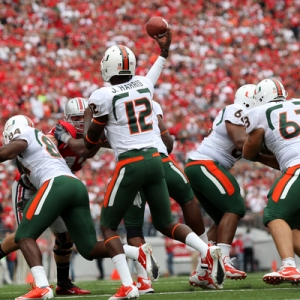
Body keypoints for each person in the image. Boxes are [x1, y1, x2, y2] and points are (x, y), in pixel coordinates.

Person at [83, 28, 225, 299]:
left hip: (131, 163)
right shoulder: (144, 86)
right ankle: (206, 249)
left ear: (108, 67)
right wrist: (164, 51)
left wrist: (92, 122)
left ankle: (129, 285)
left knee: (109, 226)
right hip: (156, 159)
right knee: (165, 221)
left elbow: (90, 141)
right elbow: (154, 73)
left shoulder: (102, 95)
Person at [0, 114, 155, 300]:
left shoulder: (25, 133)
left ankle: (42, 286)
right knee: (89, 248)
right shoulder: (39, 136)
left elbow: (8, 152)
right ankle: (135, 252)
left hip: (56, 184)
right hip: (76, 186)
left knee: (24, 235)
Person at [0, 97, 97, 295]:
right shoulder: (45, 136)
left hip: (54, 186)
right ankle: (41, 282)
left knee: (65, 237)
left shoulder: (57, 139)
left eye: (82, 117)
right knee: (25, 235)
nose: (79, 122)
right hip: (29, 188)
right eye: (76, 118)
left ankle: (63, 282)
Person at [184, 84, 257, 288]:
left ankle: (202, 271)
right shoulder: (236, 110)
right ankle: (223, 260)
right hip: (204, 164)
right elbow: (242, 142)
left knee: (221, 219)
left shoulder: (247, 118)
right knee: (235, 207)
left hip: (202, 167)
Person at [242, 78, 300, 285]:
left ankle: (288, 266)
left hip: (297, 167)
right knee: (290, 226)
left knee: (274, 214)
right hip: (294, 166)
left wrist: (259, 151)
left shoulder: (259, 113)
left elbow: (248, 152)